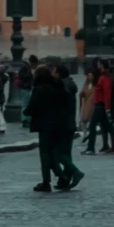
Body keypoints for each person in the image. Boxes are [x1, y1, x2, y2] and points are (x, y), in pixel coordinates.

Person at [25, 61, 81, 193]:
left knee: (45, 154)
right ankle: (62, 176)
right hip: (58, 125)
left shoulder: (39, 89)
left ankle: (47, 181)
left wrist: (26, 112)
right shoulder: (58, 86)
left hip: (45, 125)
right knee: (52, 153)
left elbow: (32, 107)